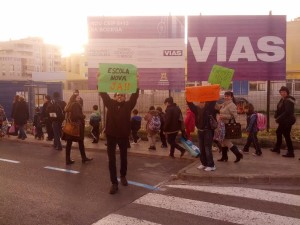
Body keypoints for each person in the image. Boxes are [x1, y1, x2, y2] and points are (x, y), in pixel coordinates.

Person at [100, 89, 139, 195]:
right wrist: (99, 81)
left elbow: (135, 96)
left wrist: (137, 83)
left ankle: (123, 176)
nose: (120, 97)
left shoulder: (128, 105)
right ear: (115, 97)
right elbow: (103, 94)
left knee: (123, 157)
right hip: (111, 135)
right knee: (111, 160)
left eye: (122, 95)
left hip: (123, 136)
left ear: (124, 97)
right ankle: (114, 183)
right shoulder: (110, 103)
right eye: (117, 95)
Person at [187, 100, 217, 171]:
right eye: (200, 102)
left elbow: (213, 101)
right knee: (201, 148)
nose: (201, 103)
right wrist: (188, 98)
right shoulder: (196, 109)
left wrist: (211, 93)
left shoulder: (209, 109)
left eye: (202, 102)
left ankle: (211, 165)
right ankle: (204, 163)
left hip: (208, 131)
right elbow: (190, 105)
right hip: (200, 131)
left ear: (205, 103)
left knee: (207, 149)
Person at [63, 94, 93, 165]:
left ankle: (68, 159)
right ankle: (84, 158)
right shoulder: (76, 104)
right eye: (78, 98)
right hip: (76, 127)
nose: (79, 99)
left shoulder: (69, 105)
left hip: (69, 126)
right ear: (74, 98)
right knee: (80, 142)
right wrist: (83, 116)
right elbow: (76, 115)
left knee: (69, 144)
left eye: (79, 98)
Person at [217, 91, 243, 163]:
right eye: (225, 96)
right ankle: (224, 157)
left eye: (228, 96)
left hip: (227, 125)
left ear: (231, 97)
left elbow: (234, 116)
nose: (226, 97)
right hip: (222, 125)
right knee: (222, 141)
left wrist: (223, 116)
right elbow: (217, 107)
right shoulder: (224, 104)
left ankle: (238, 154)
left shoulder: (232, 105)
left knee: (226, 141)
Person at [271, 86, 296, 158]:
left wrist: (278, 118)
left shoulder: (289, 100)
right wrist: (276, 114)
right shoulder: (283, 99)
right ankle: (277, 148)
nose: (282, 93)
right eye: (281, 92)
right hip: (284, 120)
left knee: (286, 135)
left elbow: (288, 112)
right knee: (278, 132)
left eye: (284, 92)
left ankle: (291, 152)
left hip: (288, 120)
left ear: (287, 92)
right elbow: (279, 108)